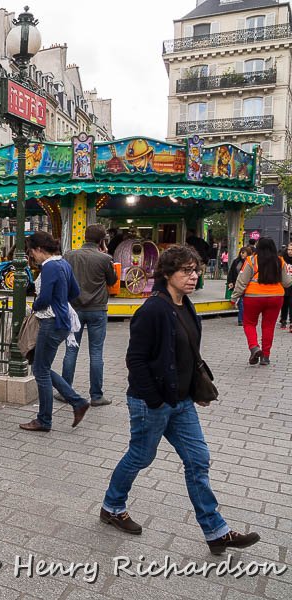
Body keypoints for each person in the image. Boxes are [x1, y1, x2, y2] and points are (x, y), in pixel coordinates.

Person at [100, 245, 261, 555]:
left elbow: (188, 354)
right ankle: (112, 506)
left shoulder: (186, 305)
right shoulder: (152, 310)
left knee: (198, 459)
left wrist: (193, 389)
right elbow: (135, 360)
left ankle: (216, 531)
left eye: (195, 270)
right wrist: (155, 400)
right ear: (167, 273)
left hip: (181, 401)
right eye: (186, 271)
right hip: (152, 403)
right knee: (141, 456)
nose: (193, 276)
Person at [19, 232, 90, 432]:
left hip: (51, 321)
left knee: (40, 370)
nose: (32, 257)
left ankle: (45, 419)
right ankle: (77, 402)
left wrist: (34, 305)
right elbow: (75, 291)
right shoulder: (63, 263)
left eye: (31, 252)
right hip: (61, 321)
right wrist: (61, 298)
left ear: (39, 249)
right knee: (42, 367)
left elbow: (44, 298)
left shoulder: (49, 266)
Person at [61, 224, 118, 407]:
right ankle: (96, 395)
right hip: (97, 309)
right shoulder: (105, 258)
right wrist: (106, 254)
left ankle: (65, 391)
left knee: (71, 350)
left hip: (74, 309)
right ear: (102, 241)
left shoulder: (69, 255)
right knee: (96, 352)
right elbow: (112, 281)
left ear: (85, 237)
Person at [231, 237, 292, 365]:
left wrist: (234, 297)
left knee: (249, 323)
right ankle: (265, 356)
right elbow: (287, 283)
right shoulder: (280, 261)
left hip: (253, 297)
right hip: (276, 297)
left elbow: (242, 281)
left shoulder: (251, 260)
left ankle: (254, 347)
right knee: (269, 326)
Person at [227, 246, 252, 326]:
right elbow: (231, 272)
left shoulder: (251, 262)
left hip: (248, 285)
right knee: (241, 302)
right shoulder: (236, 261)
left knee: (242, 302)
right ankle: (241, 319)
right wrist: (230, 282)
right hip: (238, 284)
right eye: (241, 252)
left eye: (243, 252)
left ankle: (242, 319)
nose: (242, 254)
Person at [279, 242, 292, 328]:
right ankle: (283, 319)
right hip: (285, 283)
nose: (290, 251)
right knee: (284, 303)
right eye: (289, 249)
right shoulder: (283, 258)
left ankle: (291, 321)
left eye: (291, 250)